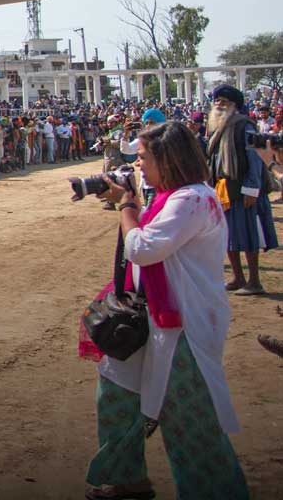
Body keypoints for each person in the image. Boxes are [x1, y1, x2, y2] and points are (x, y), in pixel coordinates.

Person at [84, 121, 248, 499]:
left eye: (142, 158)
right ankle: (126, 479)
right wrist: (127, 205)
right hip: (154, 320)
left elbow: (142, 248)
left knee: (190, 420)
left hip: (183, 325)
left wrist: (126, 206)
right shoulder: (174, 195)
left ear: (167, 158)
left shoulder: (190, 199)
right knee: (116, 392)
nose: (137, 165)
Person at [206, 85, 277, 295]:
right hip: (223, 189)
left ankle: (254, 281)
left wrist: (251, 189)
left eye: (224, 100)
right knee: (228, 236)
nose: (219, 103)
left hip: (242, 189)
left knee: (248, 235)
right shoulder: (217, 128)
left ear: (235, 105)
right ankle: (238, 277)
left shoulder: (244, 126)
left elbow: (254, 158)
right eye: (216, 100)